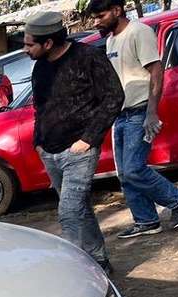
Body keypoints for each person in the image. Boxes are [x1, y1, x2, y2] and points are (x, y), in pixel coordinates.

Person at [26, 11, 124, 272]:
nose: (25, 49)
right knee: (80, 208)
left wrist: (88, 139)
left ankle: (75, 273)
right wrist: (38, 141)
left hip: (79, 151)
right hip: (50, 152)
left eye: (29, 44)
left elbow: (114, 97)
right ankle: (99, 259)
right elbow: (40, 107)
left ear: (48, 43)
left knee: (69, 213)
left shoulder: (88, 58)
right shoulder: (40, 66)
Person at [88, 0, 178, 238]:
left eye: (101, 16)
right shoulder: (110, 40)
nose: (96, 22)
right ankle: (146, 220)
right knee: (125, 175)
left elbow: (156, 70)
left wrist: (151, 112)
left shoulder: (138, 31)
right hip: (120, 114)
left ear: (117, 11)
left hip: (139, 111)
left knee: (133, 169)